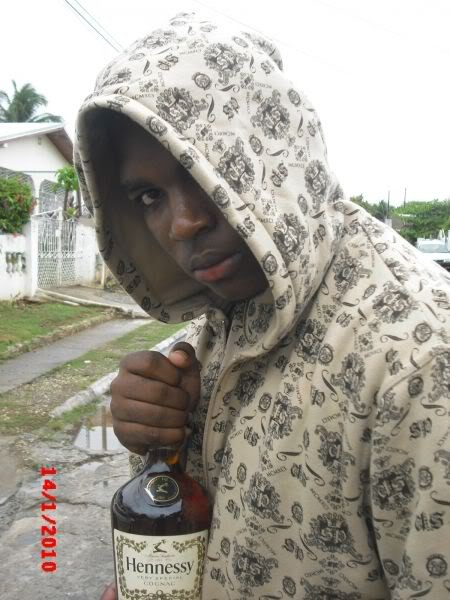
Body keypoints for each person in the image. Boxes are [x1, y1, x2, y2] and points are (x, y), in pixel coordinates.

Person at [76, 12, 450, 600]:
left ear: (277, 153)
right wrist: (154, 438)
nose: (181, 224)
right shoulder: (227, 317)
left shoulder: (421, 363)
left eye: (204, 171)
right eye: (149, 196)